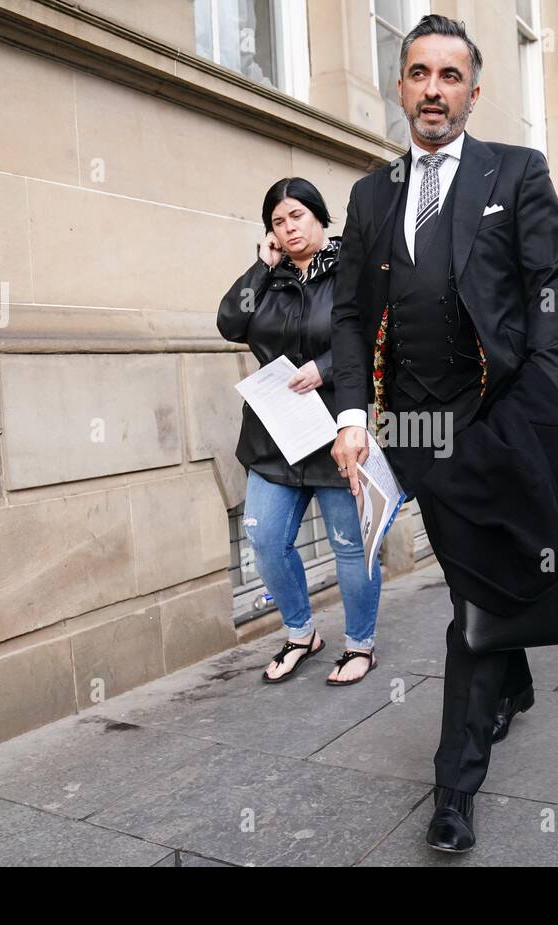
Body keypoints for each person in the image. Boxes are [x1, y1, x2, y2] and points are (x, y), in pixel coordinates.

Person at [328, 15, 558, 853]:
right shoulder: (370, 195)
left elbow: (551, 286)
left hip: (498, 420)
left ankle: (453, 789)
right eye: (418, 73)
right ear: (400, 86)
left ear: (474, 89)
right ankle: (513, 681)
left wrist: (540, 397)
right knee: (481, 581)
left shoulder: (517, 170)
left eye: (449, 75)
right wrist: (355, 416)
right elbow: (354, 313)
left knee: (472, 598)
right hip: (417, 436)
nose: (433, 89)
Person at [216, 178, 383, 687]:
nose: (288, 228)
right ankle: (300, 632)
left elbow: (374, 336)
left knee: (348, 546)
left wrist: (325, 368)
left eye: (296, 216)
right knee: (265, 539)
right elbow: (229, 322)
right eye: (277, 222)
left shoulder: (350, 269)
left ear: (319, 216)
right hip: (274, 434)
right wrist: (260, 267)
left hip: (334, 430)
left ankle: (360, 644)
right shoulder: (269, 275)